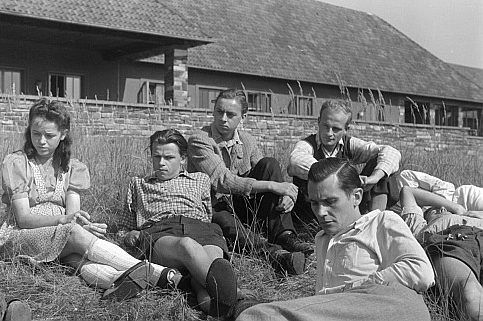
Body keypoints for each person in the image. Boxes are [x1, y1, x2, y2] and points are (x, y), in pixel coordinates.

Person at [0, 98, 179, 302]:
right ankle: (159, 273)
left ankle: (121, 280)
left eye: (49, 136)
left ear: (63, 135)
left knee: (79, 259)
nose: (41, 141)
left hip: (58, 235)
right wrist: (66, 222)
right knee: (74, 235)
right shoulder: (18, 163)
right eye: (35, 134)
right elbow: (23, 219)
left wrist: (84, 226)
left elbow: (74, 215)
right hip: (20, 236)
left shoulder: (72, 167)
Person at [235, 158, 434, 321]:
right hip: (339, 312)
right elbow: (324, 306)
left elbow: (421, 272)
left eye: (330, 202)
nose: (321, 212)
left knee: (257, 315)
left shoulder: (380, 221)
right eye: (314, 203)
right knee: (256, 316)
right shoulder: (322, 239)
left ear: (356, 197)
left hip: (385, 306)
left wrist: (355, 289)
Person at [187, 88, 312, 276]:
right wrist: (274, 186)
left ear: (243, 116)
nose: (223, 118)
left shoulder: (247, 140)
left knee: (270, 164)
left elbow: (267, 173)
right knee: (223, 220)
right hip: (213, 206)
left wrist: (286, 193)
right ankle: (275, 254)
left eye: (230, 114)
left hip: (243, 205)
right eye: (219, 112)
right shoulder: (200, 140)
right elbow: (223, 181)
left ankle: (285, 235)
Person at [118, 129, 239, 317]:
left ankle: (218, 307)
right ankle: (238, 300)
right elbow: (124, 228)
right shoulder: (138, 184)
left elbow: (206, 215)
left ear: (183, 159)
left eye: (168, 157)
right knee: (187, 246)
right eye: (156, 156)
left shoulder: (200, 180)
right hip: (161, 233)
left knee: (207, 278)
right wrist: (128, 235)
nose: (161, 163)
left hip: (201, 229)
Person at [287, 99, 401, 229]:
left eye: (335, 129)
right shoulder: (307, 145)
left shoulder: (348, 145)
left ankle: (374, 225)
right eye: (325, 126)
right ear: (318, 121)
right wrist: (344, 176)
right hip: (314, 213)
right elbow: (295, 161)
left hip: (342, 208)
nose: (329, 133)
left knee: (383, 167)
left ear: (346, 129)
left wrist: (373, 178)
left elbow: (391, 152)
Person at [400, 185, 483, 320]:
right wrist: (455, 207)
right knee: (469, 291)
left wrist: (472, 213)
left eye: (445, 208)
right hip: (451, 241)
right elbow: (408, 191)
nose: (443, 208)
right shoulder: (419, 226)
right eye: (434, 210)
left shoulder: (475, 216)